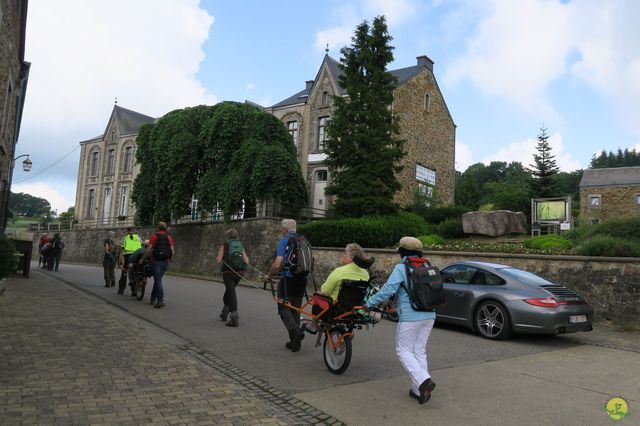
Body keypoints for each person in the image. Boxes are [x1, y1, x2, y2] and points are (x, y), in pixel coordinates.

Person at [365, 236, 437, 405]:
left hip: (411, 317)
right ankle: (418, 390)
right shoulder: (427, 265)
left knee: (403, 350)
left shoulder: (402, 268)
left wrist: (369, 303)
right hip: (430, 315)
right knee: (419, 350)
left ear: (402, 252)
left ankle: (424, 380)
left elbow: (387, 290)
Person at [302, 243, 370, 334]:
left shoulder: (340, 271)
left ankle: (314, 324)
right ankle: (332, 332)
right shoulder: (366, 274)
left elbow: (325, 291)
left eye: (345, 253)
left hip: (336, 309)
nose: (343, 255)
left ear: (352, 258)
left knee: (317, 296)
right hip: (355, 309)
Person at [266, 219, 308, 352]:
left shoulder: (285, 240)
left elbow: (278, 263)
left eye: (281, 229)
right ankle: (295, 343)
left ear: (284, 229)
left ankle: (296, 332)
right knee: (295, 308)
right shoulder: (304, 240)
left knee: (284, 308)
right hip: (302, 278)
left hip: (288, 278)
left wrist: (269, 275)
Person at [215, 228, 250, 327]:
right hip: (239, 273)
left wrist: (221, 257)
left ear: (228, 236)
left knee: (231, 293)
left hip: (228, 273)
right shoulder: (240, 245)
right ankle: (225, 312)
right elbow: (246, 261)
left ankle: (234, 316)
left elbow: (218, 260)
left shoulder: (225, 245)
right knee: (230, 291)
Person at [143, 221, 174, 309]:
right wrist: (169, 259)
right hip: (165, 262)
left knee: (158, 280)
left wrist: (143, 258)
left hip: (156, 261)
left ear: (158, 227)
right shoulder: (169, 237)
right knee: (158, 279)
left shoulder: (154, 237)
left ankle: (160, 300)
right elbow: (172, 251)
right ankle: (153, 298)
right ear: (165, 228)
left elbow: (148, 250)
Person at [118, 226, 142, 295]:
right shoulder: (138, 237)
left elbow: (121, 248)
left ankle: (121, 290)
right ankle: (134, 291)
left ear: (127, 231)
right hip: (137, 256)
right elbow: (142, 245)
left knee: (124, 272)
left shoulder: (124, 237)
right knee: (135, 273)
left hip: (127, 256)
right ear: (134, 231)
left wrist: (121, 260)